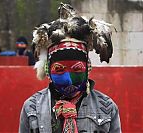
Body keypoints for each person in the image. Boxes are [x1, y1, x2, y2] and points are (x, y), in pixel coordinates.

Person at [19, 3, 121, 133]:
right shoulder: (31, 108)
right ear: (48, 70)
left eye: (77, 69)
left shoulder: (107, 107)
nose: (68, 80)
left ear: (88, 68)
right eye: (59, 70)